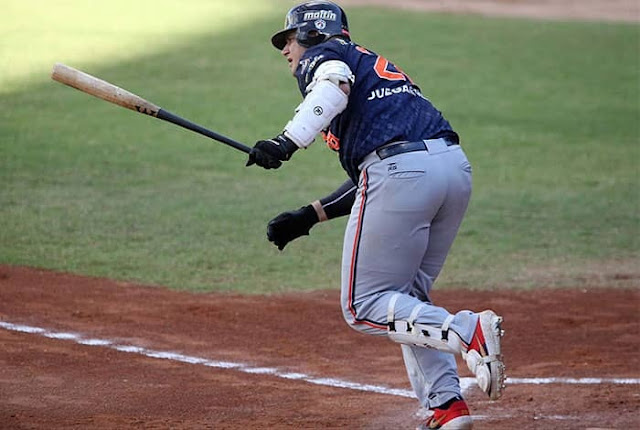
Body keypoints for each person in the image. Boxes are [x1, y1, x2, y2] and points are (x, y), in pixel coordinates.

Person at [246, 2, 505, 428]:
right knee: (407, 298)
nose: (285, 49)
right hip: (451, 169)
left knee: (363, 304)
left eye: (289, 38)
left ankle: (466, 330)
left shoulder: (325, 57)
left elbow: (334, 91)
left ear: (312, 34)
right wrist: (309, 216)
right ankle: (446, 405)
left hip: (402, 173)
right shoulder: (372, 68)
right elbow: (387, 166)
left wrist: (285, 142)